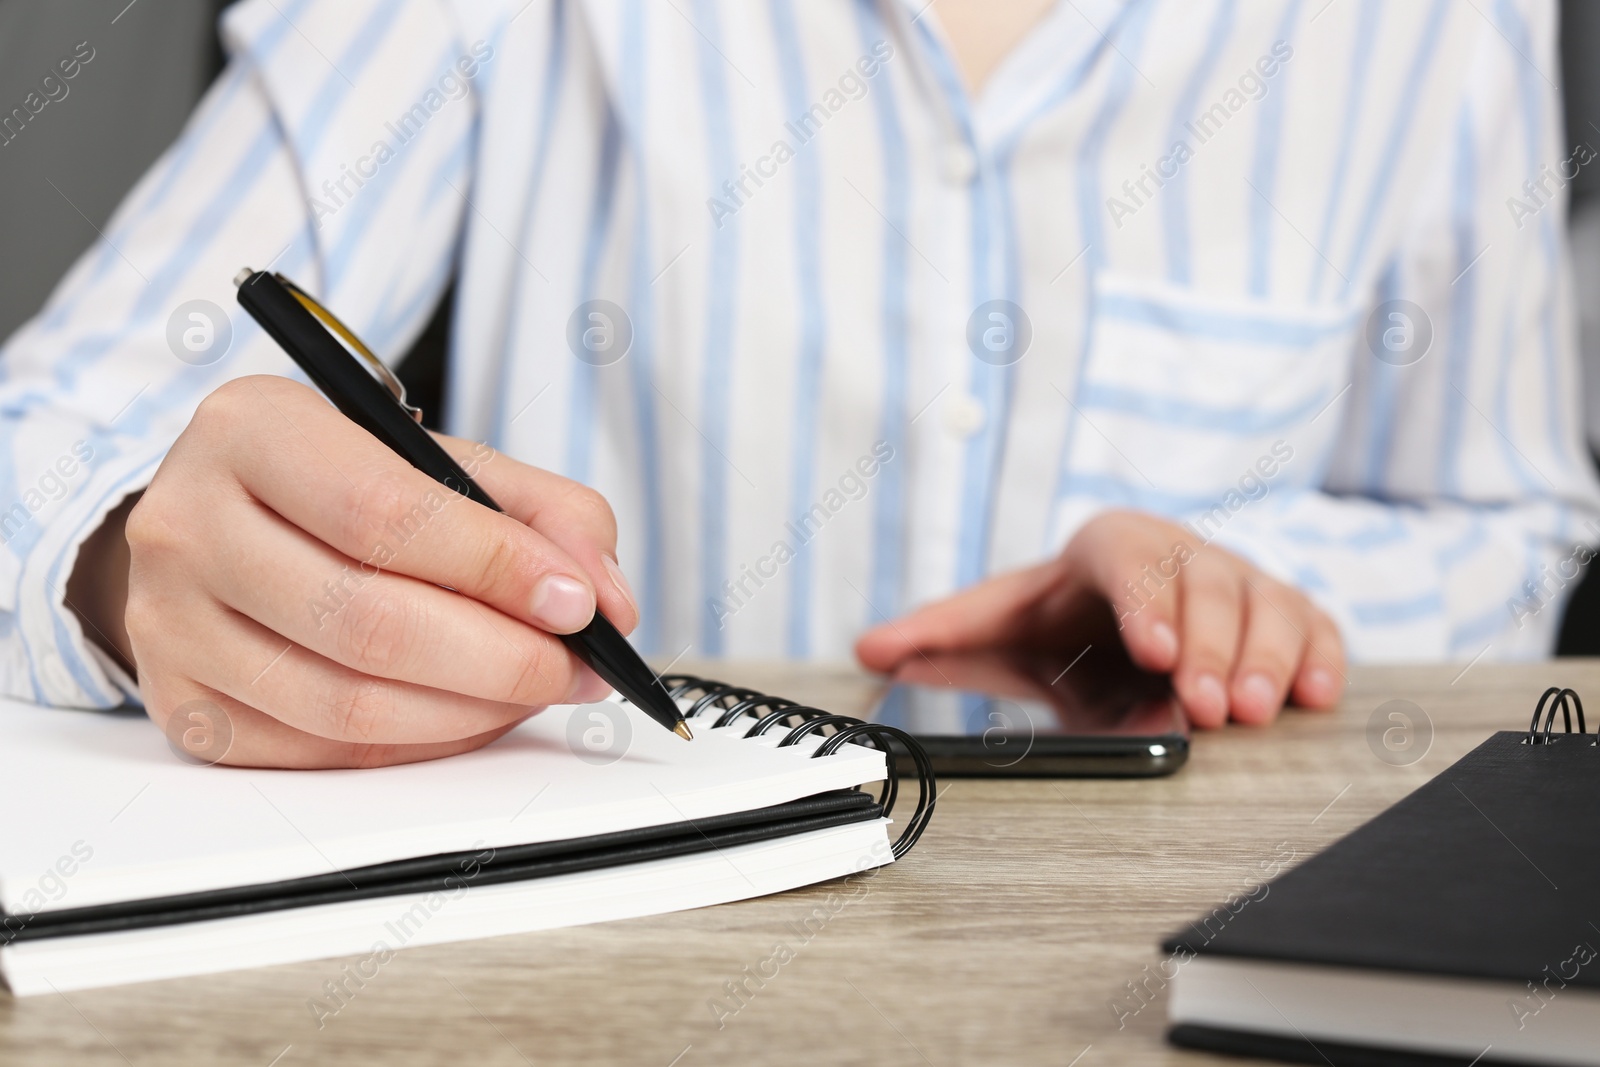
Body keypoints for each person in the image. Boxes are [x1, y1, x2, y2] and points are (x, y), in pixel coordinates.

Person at [1, 0, 1594, 767]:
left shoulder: (1439, 26)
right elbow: (40, 435)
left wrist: (1262, 604)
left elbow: (1510, 528)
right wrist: (129, 556)